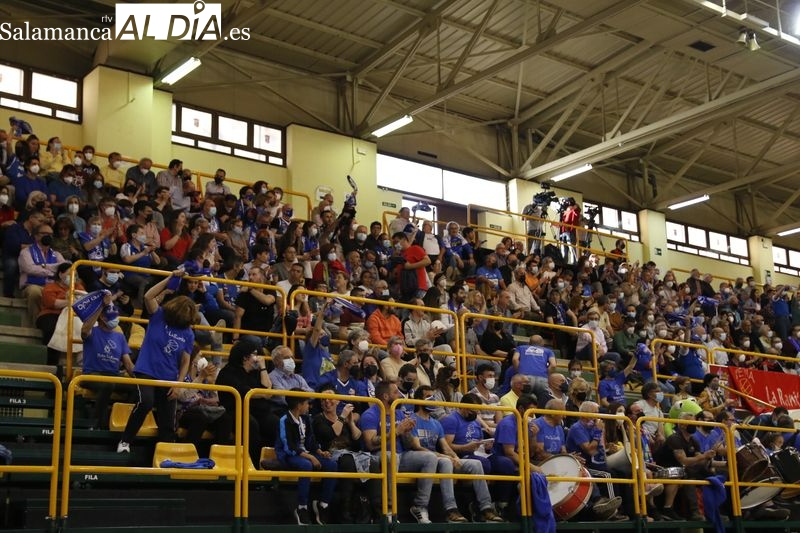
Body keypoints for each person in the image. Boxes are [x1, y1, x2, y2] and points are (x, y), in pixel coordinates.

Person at [117, 271, 196, 453]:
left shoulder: (188, 333)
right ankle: (125, 441)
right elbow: (148, 295)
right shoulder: (158, 316)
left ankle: (166, 453)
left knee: (168, 419)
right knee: (145, 402)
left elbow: (185, 361)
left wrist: (178, 383)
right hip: (146, 370)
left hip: (168, 377)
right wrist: (169, 279)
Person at [412, 387, 504, 523]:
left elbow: (445, 447)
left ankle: (485, 508)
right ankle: (451, 510)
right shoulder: (412, 420)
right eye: (428, 397)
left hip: (442, 458)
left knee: (477, 464)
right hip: (424, 460)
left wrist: (454, 456)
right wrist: (447, 456)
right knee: (446, 462)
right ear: (419, 400)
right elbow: (417, 447)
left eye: (433, 397)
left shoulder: (436, 423)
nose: (432, 400)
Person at [358, 381, 439, 524]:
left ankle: (420, 506)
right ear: (385, 396)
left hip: (403, 455)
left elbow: (408, 444)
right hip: (380, 455)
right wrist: (395, 431)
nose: (399, 395)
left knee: (430, 458)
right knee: (391, 456)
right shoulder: (370, 414)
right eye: (395, 392)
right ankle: (389, 509)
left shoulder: (399, 413)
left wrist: (407, 432)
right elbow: (370, 444)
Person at [312, 383, 372, 524]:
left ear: (338, 400)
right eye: (323, 399)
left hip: (350, 454)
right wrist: (343, 416)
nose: (327, 401)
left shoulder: (343, 419)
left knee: (373, 462)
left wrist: (350, 422)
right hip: (331, 455)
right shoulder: (318, 419)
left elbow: (357, 441)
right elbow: (330, 434)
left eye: (330, 398)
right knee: (347, 460)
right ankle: (345, 510)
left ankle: (375, 510)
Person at [276, 388, 338, 525]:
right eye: (306, 403)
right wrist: (311, 457)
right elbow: (289, 447)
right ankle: (301, 507)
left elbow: (311, 440)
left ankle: (323, 505)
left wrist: (320, 452)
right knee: (306, 465)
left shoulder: (306, 418)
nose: (309, 405)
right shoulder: (284, 420)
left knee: (332, 464)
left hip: (307, 454)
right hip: (289, 455)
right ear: (299, 405)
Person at [216, 340, 277, 465]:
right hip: (235, 411)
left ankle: (271, 464)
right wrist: (264, 394)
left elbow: (268, 389)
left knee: (276, 423)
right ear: (245, 357)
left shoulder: (255, 373)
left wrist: (263, 368)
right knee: (251, 424)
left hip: (258, 411)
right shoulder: (228, 373)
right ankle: (251, 466)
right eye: (255, 354)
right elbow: (250, 393)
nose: (258, 357)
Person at [80, 296, 134, 429]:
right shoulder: (93, 331)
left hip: (113, 375)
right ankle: (94, 423)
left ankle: (123, 422)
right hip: (92, 374)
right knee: (108, 385)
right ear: (102, 318)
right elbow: (85, 330)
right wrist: (100, 308)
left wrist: (139, 378)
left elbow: (128, 364)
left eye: (116, 316)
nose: (116, 319)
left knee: (137, 388)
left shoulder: (119, 337)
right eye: (112, 316)